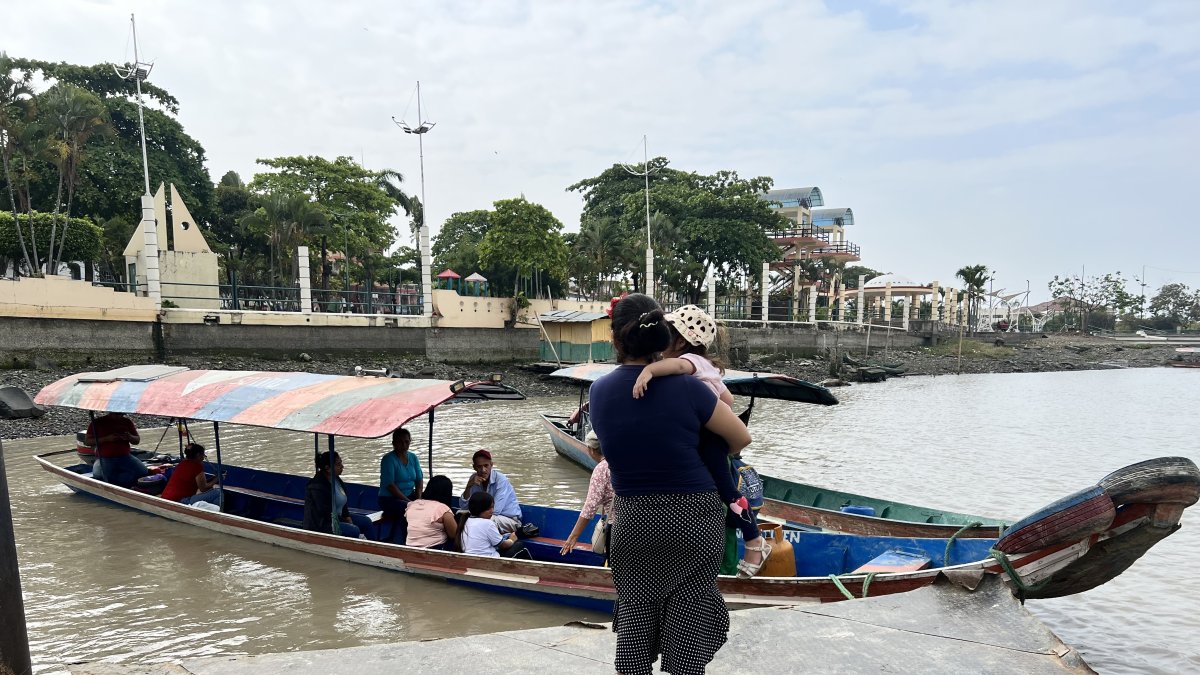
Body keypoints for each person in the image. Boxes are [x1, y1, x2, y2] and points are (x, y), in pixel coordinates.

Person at [589, 293, 752, 675]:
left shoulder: (599, 392)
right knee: (688, 623)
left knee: (635, 619)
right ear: (663, 339)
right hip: (694, 520)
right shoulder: (692, 388)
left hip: (633, 521)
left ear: (616, 339)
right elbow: (741, 438)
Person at [633, 304, 772, 577]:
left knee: (729, 494)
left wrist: (648, 371)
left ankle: (755, 540)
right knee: (728, 491)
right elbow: (728, 399)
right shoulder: (707, 368)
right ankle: (753, 539)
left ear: (682, 340)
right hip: (714, 438)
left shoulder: (692, 364)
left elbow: (674, 364)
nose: (662, 342)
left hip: (710, 440)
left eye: (667, 334)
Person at [560, 431, 614, 561]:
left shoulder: (602, 469)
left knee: (616, 570)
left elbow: (590, 506)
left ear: (591, 449)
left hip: (619, 528)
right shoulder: (625, 461)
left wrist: (573, 536)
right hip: (641, 522)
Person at [303, 451, 377, 540]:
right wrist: (345, 521)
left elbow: (343, 501)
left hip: (338, 517)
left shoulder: (336, 479)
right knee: (353, 530)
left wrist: (348, 518)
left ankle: (375, 545)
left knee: (366, 521)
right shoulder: (317, 486)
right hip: (322, 523)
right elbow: (325, 512)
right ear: (328, 468)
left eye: (341, 462)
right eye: (338, 464)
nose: (342, 466)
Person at [378, 427, 424, 543]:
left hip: (409, 496)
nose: (404, 445)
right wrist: (409, 502)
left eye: (406, 442)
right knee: (407, 508)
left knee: (431, 502)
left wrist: (418, 499)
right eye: (400, 442)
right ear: (394, 443)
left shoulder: (413, 457)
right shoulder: (388, 459)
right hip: (389, 499)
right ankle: (403, 541)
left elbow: (419, 480)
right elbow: (390, 485)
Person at [461, 449, 522, 533]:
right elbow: (464, 506)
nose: (483, 470)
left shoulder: (501, 480)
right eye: (479, 466)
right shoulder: (473, 479)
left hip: (509, 520)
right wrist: (469, 486)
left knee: (484, 521)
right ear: (474, 467)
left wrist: (473, 517)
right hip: (485, 516)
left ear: (491, 465)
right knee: (461, 515)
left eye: (486, 465)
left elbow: (495, 510)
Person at [85, 411, 149, 488]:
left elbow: (137, 440)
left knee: (143, 471)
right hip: (105, 458)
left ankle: (125, 483)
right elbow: (88, 441)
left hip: (125, 457)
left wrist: (129, 437)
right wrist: (107, 439)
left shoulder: (127, 422)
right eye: (117, 414)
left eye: (121, 414)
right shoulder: (97, 422)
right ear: (110, 412)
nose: (119, 417)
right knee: (99, 475)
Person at [458, 492, 527, 558]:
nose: (492, 511)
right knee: (519, 545)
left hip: (470, 560)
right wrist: (512, 539)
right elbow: (503, 545)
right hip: (489, 562)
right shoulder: (488, 523)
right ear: (480, 509)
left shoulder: (466, 521)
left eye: (492, 507)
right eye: (488, 508)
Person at [404, 475, 458, 550]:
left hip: (410, 546)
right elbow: (454, 534)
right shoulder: (443, 509)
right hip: (435, 548)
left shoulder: (413, 505)